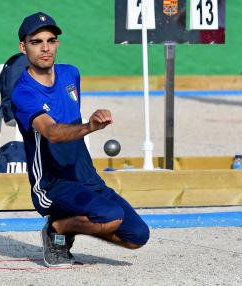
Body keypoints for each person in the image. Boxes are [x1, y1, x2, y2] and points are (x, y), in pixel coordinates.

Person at [11, 12, 150, 267]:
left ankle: (69, 223)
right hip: (52, 184)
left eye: (51, 40)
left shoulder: (70, 75)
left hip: (86, 177)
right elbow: (52, 133)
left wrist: (91, 119)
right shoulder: (23, 92)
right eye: (36, 41)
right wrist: (90, 126)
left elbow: (68, 120)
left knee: (137, 236)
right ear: (23, 46)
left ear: (57, 43)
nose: (45, 48)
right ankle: (57, 228)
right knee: (109, 217)